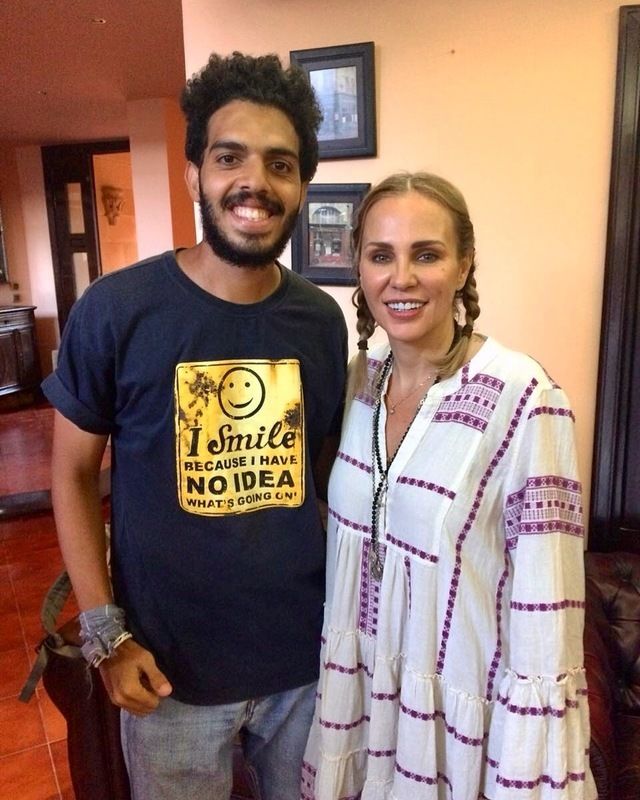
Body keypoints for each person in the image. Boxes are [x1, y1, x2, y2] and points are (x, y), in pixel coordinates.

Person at [42, 51, 347, 800]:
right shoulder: (116, 310)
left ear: (301, 186)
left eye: (281, 164)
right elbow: (71, 474)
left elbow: (322, 477)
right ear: (194, 176)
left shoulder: (319, 320)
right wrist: (105, 635)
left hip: (305, 667)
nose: (255, 181)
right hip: (167, 675)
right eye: (229, 157)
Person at [301, 172, 596, 800]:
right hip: (360, 704)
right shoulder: (358, 380)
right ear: (360, 268)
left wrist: (521, 773)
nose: (401, 278)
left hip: (458, 735)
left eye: (427, 255)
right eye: (381, 255)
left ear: (463, 266)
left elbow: (546, 614)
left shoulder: (524, 398)